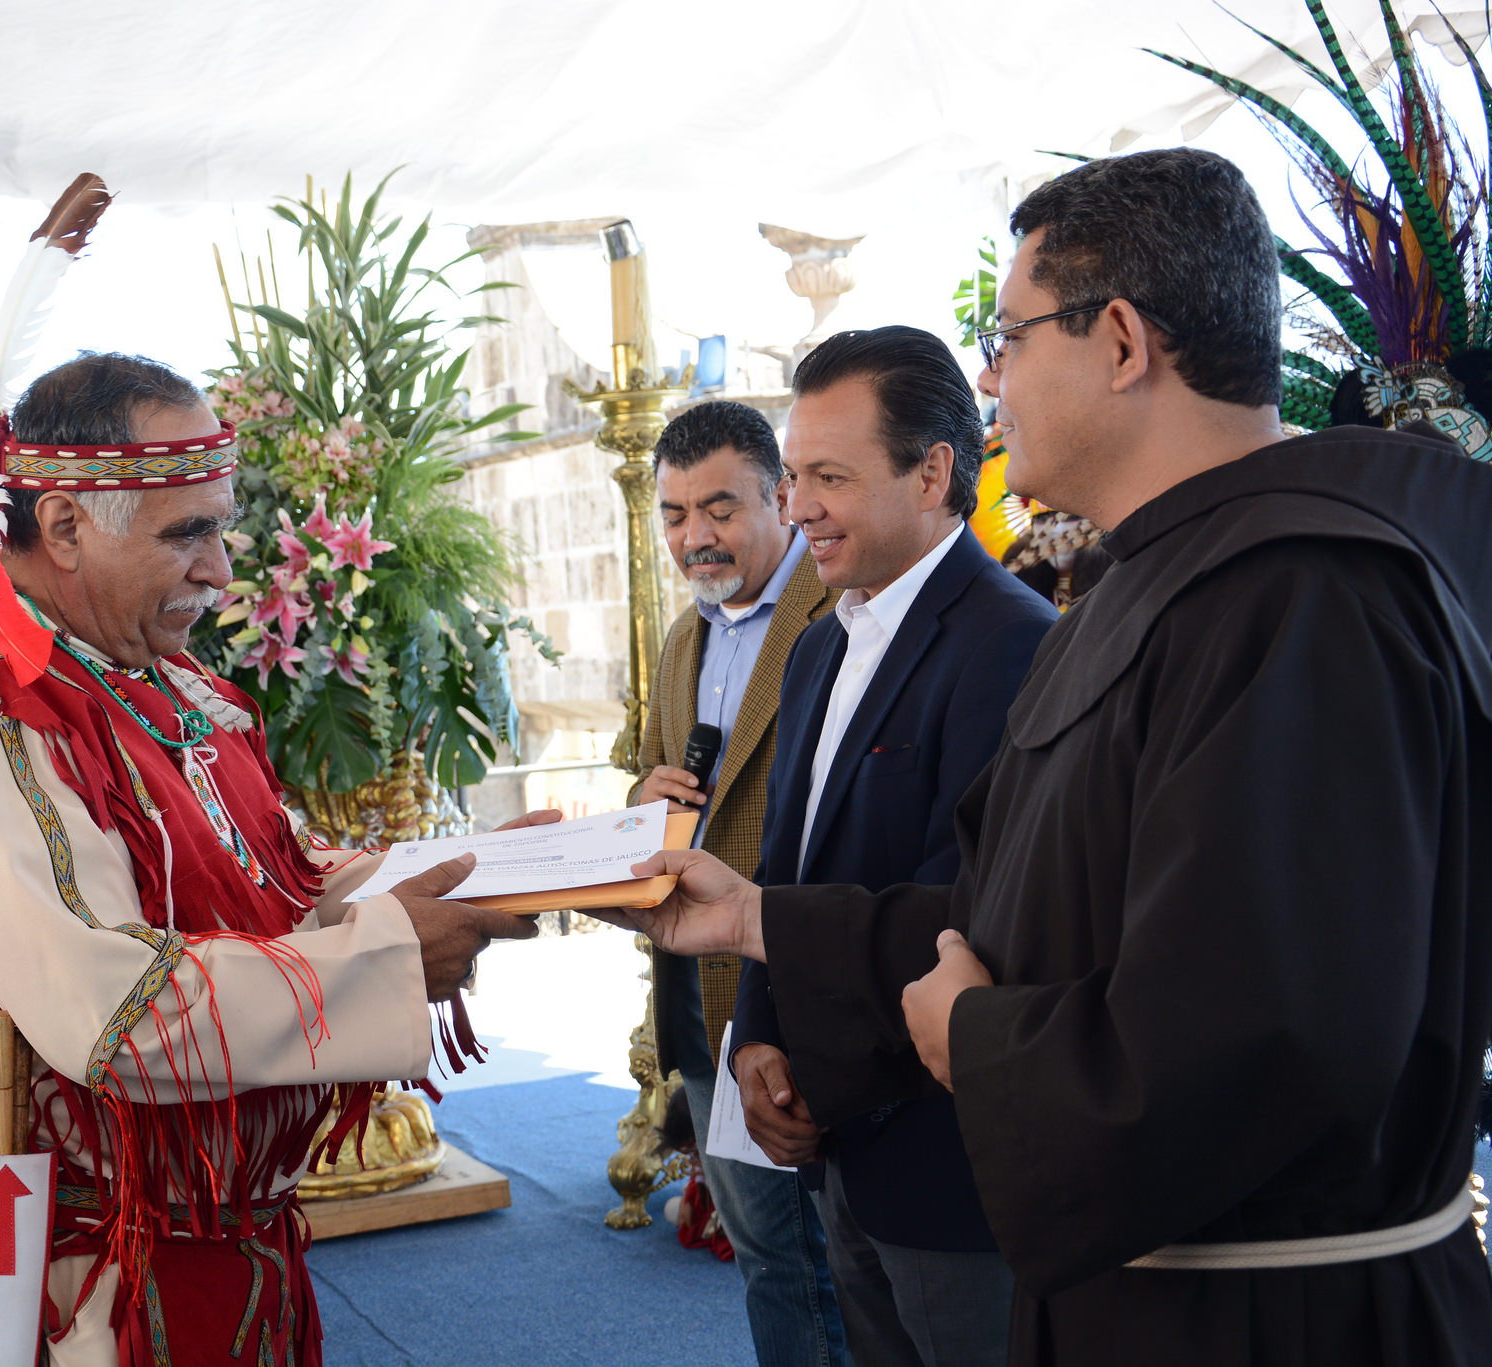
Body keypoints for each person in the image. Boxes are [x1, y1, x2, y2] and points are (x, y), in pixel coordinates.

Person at [621, 147, 1492, 1366]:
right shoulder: (1167, 579)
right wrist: (764, 922)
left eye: (1008, 334)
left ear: (1121, 341)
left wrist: (972, 1035)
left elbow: (1255, 1039)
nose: (986, 376)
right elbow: (1023, 909)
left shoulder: (1301, 598)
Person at [0, 349, 539, 1367]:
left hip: (214, 1243)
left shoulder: (164, 687)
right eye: (186, 532)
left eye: (219, 526)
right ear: (62, 525)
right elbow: (115, 1014)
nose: (221, 569)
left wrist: (484, 872)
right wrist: (393, 950)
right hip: (79, 1282)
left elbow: (274, 875)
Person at [729, 327, 1053, 1366]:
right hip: (833, 1140)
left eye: (827, 476)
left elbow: (969, 904)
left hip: (939, 1148)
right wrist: (755, 1038)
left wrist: (817, 1065)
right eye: (788, 476)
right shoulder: (822, 637)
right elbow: (785, 861)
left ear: (931, 471)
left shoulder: (1011, 640)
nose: (795, 507)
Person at [629, 398, 846, 1366]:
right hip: (702, 985)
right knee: (767, 1252)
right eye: (674, 513)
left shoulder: (839, 612)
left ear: (780, 495)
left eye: (718, 508)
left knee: (842, 1256)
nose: (693, 536)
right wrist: (645, 788)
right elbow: (647, 766)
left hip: (807, 979)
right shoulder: (686, 636)